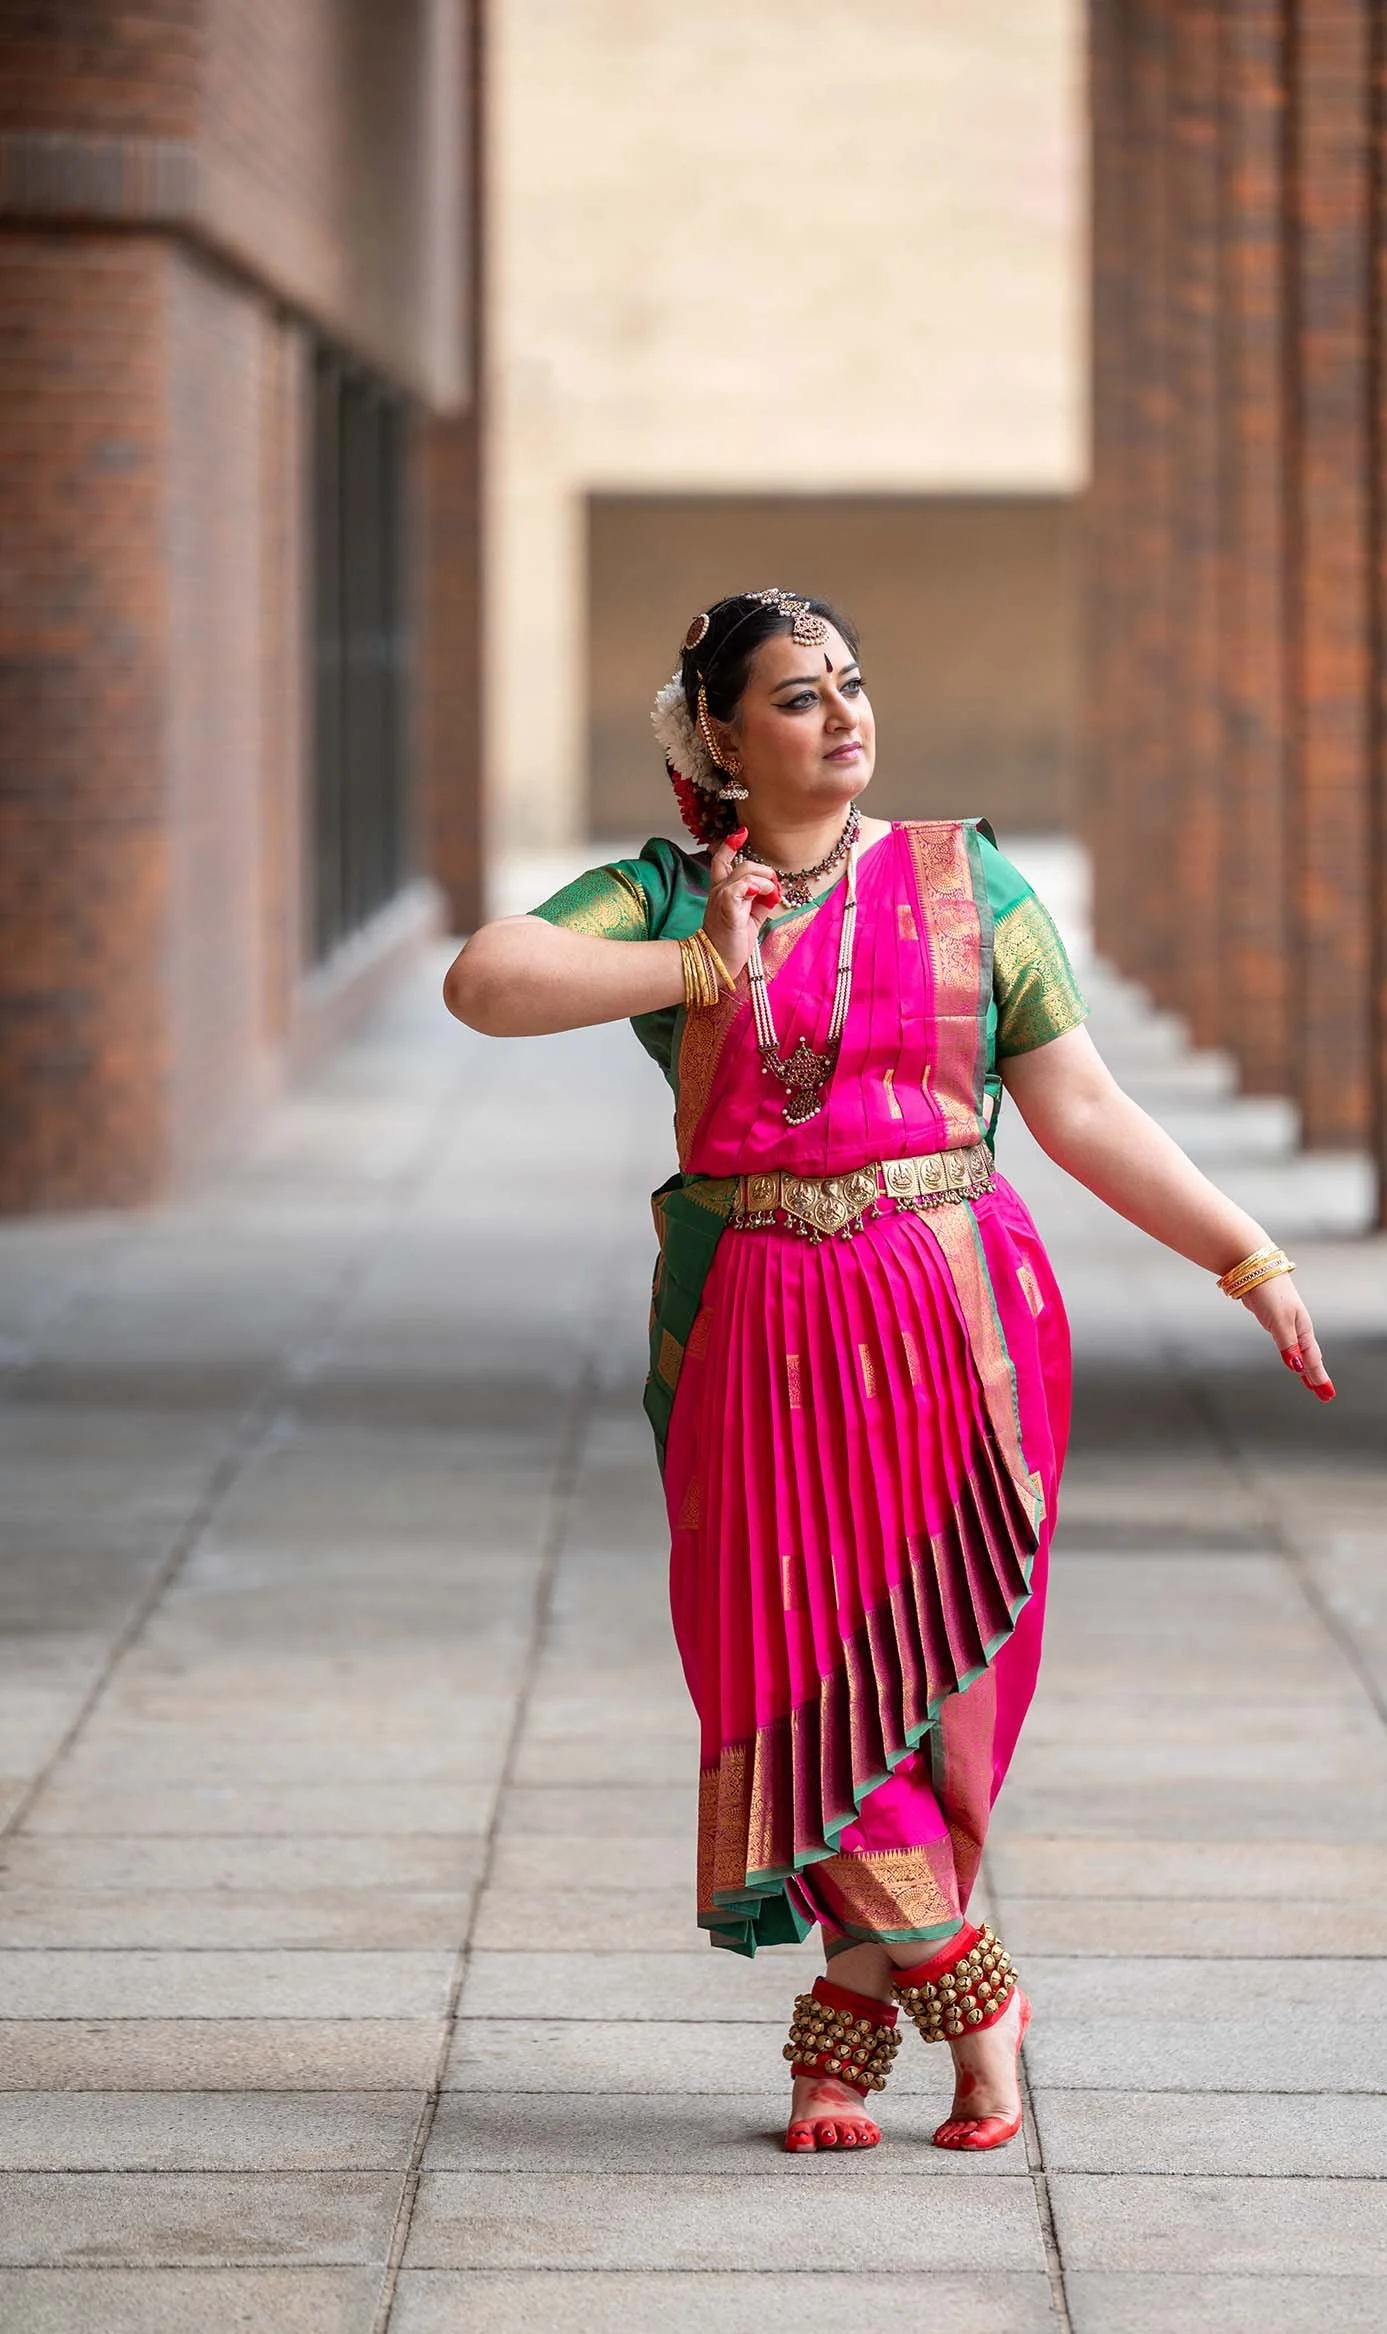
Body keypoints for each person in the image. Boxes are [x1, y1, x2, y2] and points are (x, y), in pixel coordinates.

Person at [444, 588, 1335, 2155]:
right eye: (796, 697)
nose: (842, 716)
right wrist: (696, 969)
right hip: (756, 1326)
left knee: (934, 1683)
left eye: (852, 684)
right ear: (717, 735)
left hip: (957, 1316)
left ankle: (846, 2027)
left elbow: (1081, 1111)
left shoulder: (964, 877)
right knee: (780, 1676)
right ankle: (968, 1990)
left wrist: (1244, 1254)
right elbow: (487, 982)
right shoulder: (662, 891)